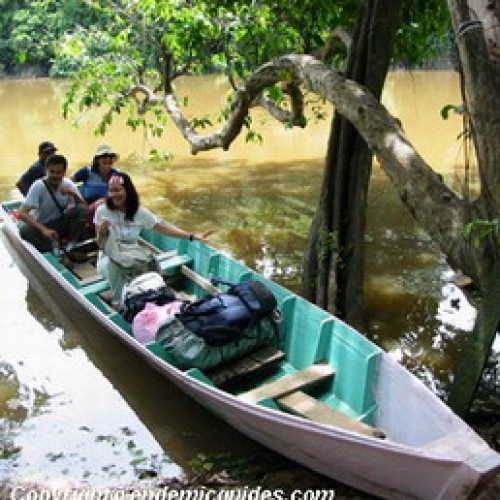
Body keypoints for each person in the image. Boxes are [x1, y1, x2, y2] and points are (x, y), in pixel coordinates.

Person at [94, 172, 214, 309]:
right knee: (113, 265)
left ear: (128, 190)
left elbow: (164, 228)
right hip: (107, 256)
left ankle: (160, 296)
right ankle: (118, 302)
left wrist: (192, 236)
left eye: (118, 190)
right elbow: (99, 243)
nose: (114, 195)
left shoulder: (139, 212)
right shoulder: (102, 211)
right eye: (111, 191)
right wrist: (102, 232)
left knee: (149, 263)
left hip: (132, 255)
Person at [18, 154, 90, 259]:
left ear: (64, 172)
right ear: (46, 171)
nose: (55, 176)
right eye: (52, 172)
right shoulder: (38, 186)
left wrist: (72, 194)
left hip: (59, 223)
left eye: (59, 172)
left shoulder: (68, 184)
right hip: (41, 225)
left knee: (81, 210)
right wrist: (44, 230)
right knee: (24, 230)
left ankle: (71, 247)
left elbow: (84, 207)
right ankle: (55, 252)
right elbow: (22, 213)